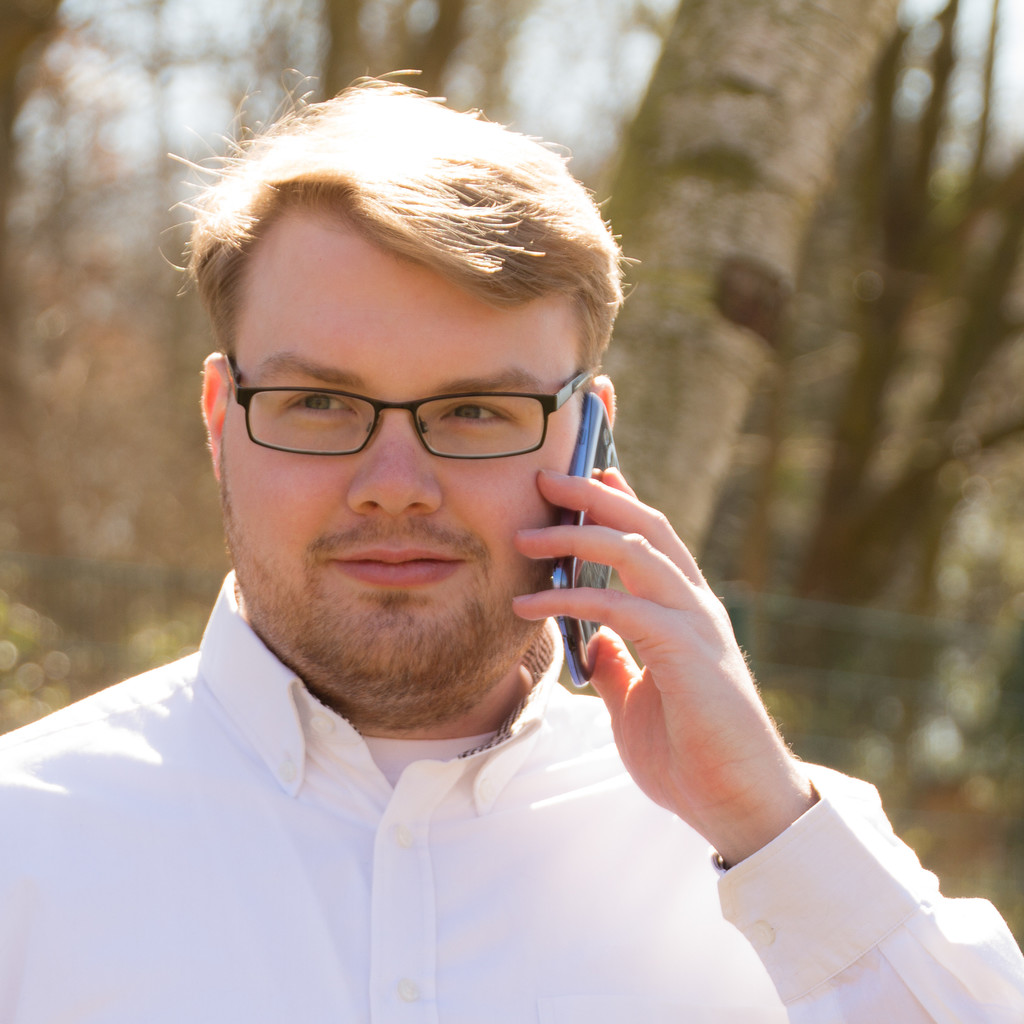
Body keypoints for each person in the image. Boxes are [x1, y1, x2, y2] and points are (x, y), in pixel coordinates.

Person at [1, 80, 1022, 1024]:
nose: (393, 479)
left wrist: (767, 821)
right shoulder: (26, 846)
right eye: (316, 401)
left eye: (477, 408)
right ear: (222, 419)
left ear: (591, 438)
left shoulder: (773, 861)